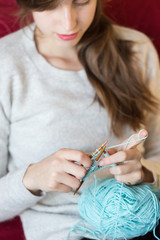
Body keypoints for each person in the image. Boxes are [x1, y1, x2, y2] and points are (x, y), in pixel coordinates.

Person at [0, 0, 160, 239]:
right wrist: (32, 178)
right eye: (51, 5)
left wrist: (146, 173)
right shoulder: (6, 64)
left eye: (82, 1)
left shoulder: (137, 49)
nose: (69, 23)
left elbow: (157, 152)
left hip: (146, 220)